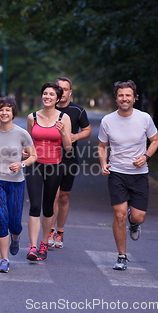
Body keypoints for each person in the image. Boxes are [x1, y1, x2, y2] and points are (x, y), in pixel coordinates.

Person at [97, 80, 158, 271]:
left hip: (139, 174)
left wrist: (146, 156)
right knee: (119, 215)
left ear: (134, 98)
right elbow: (102, 146)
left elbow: (155, 140)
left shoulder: (144, 118)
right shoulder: (107, 120)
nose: (124, 98)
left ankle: (134, 224)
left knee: (138, 216)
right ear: (116, 98)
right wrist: (103, 163)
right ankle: (122, 256)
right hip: (117, 173)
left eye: (128, 95)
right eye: (121, 95)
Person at [0, 97, 37, 272]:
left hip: (16, 183)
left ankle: (15, 237)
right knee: (1, 219)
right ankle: (4, 260)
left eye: (8, 110)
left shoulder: (22, 134)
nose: (4, 113)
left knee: (14, 223)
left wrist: (21, 164)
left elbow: (33, 156)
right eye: (1, 110)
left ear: (13, 113)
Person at [25, 82, 72, 261]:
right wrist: (25, 152)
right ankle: (33, 246)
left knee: (47, 206)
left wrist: (64, 134)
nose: (47, 97)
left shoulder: (64, 118)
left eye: (52, 95)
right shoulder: (32, 117)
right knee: (34, 205)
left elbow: (68, 148)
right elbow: (29, 142)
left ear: (58, 99)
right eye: (45, 93)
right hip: (35, 165)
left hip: (54, 166)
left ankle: (44, 243)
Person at [48, 77, 92, 249]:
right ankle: (49, 230)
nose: (62, 91)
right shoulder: (48, 109)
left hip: (69, 157)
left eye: (65, 89)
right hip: (51, 157)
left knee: (64, 196)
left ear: (70, 92)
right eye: (59, 88)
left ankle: (60, 232)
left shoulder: (77, 111)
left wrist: (76, 136)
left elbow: (87, 130)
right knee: (54, 194)